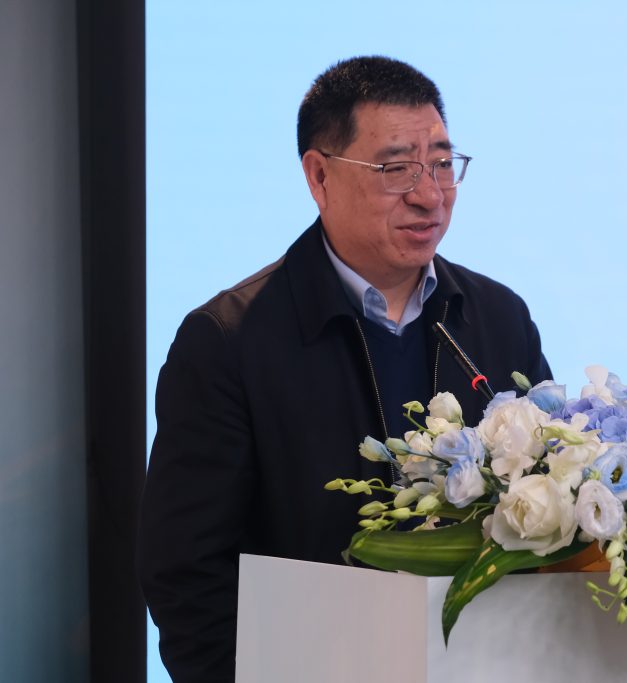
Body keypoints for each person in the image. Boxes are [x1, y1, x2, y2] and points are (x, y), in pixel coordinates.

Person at [138, 56, 552, 682]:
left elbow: (549, 511)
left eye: (442, 164)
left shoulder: (497, 317)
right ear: (319, 175)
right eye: (396, 168)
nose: (429, 194)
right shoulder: (228, 341)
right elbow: (186, 575)